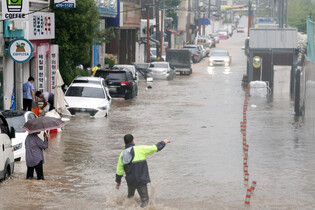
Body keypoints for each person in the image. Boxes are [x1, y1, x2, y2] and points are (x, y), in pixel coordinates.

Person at [115, 134, 171, 208]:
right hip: (141, 180)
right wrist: (164, 142)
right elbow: (155, 148)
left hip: (130, 181)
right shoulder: (140, 149)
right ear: (133, 140)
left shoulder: (122, 154)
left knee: (130, 199)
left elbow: (119, 170)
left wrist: (118, 182)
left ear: (124, 143)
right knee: (145, 200)